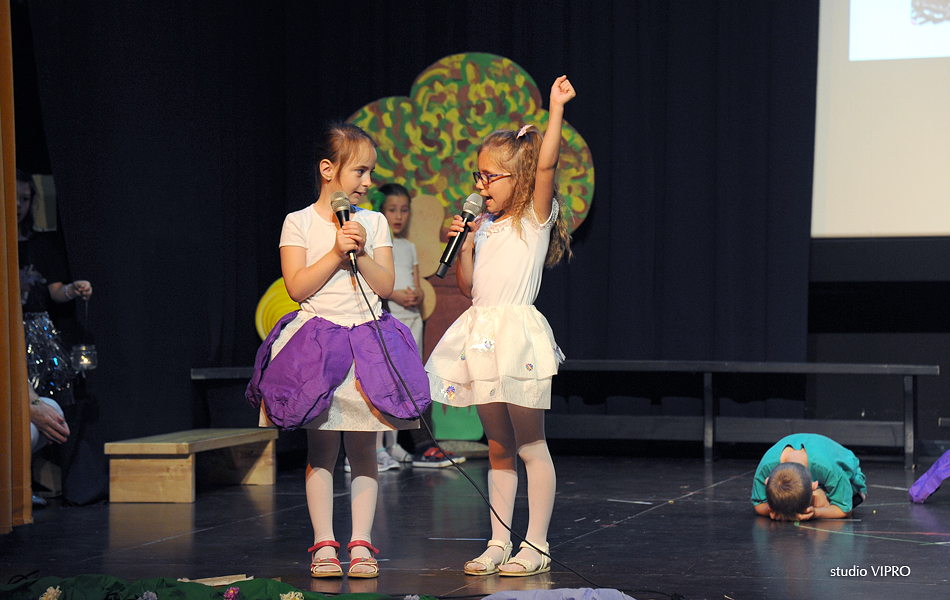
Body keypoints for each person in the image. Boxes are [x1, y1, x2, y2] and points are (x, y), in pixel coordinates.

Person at [245, 122, 431, 579]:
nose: (367, 182)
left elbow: (384, 285)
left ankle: (362, 545)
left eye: (371, 172)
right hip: (318, 345)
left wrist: (360, 252)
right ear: (328, 170)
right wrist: (334, 251)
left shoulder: (374, 222)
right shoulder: (299, 222)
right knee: (322, 449)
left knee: (364, 449)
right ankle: (324, 545)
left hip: (367, 342)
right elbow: (296, 287)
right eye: (360, 171)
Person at [425, 75, 576, 576]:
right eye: (478, 175)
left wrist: (555, 108)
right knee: (497, 446)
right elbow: (470, 287)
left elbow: (547, 163)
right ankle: (497, 541)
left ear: (520, 178)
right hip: (482, 335)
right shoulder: (485, 226)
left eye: (490, 176)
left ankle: (537, 544)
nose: (480, 186)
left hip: (517, 338)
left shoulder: (533, 216)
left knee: (530, 443)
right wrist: (466, 245)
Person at [751, 433, 867, 521]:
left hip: (848, 476)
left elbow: (844, 509)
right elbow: (758, 504)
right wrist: (770, 510)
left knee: (818, 501)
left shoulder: (830, 470)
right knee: (790, 500)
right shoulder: (765, 469)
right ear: (767, 481)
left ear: (814, 485)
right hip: (818, 469)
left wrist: (816, 512)